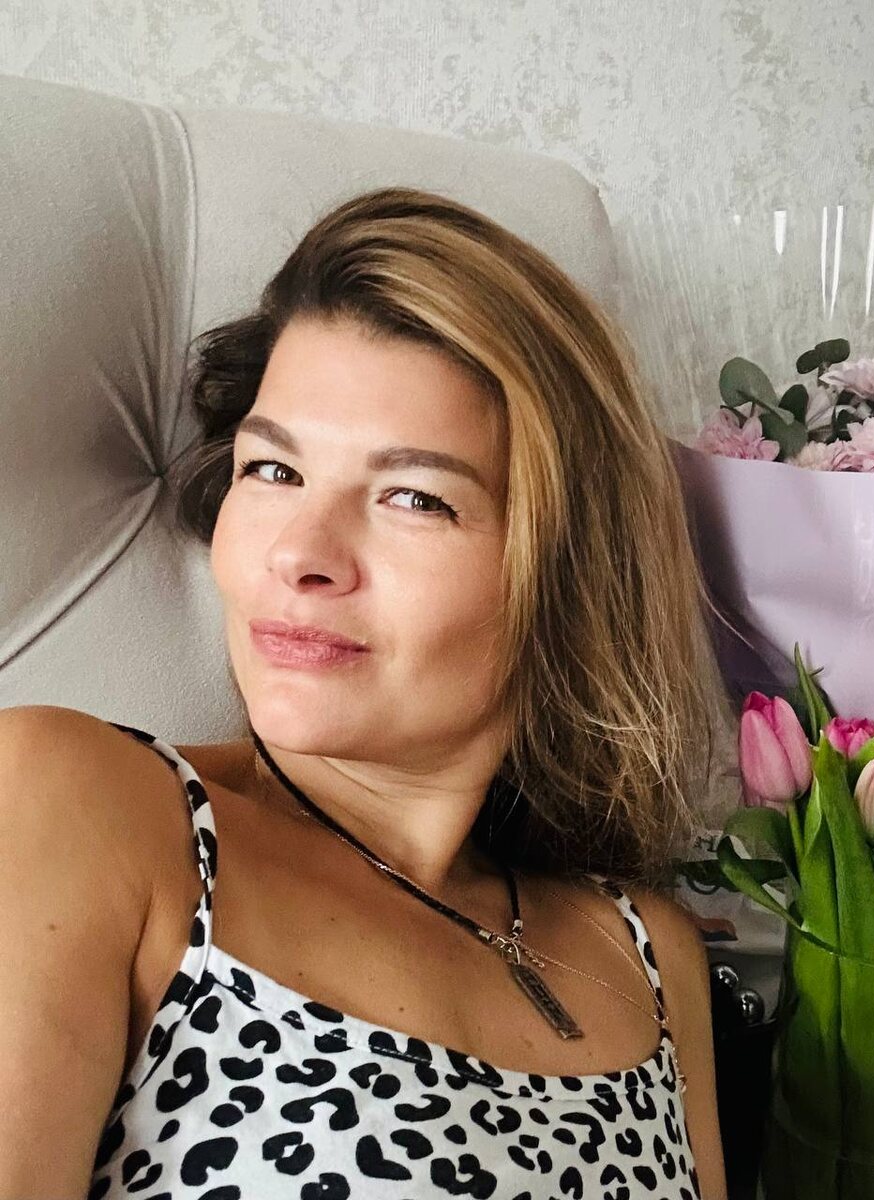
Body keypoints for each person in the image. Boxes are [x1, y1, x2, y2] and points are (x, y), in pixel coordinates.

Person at [0, 187, 728, 1199]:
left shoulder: (649, 956)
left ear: (566, 572)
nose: (299, 553)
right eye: (272, 470)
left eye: (413, 497)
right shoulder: (81, 802)